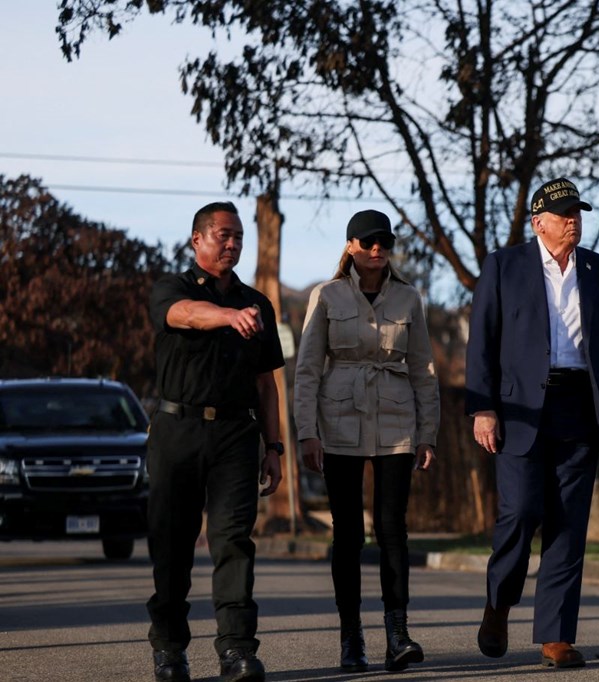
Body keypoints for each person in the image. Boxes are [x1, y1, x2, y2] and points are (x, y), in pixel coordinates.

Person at [465, 177, 599, 669]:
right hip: (520, 411)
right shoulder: (504, 266)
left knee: (568, 525)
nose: (573, 220)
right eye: (563, 214)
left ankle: (556, 636)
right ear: (538, 222)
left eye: (577, 212)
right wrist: (483, 407)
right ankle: (498, 604)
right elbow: (482, 340)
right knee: (519, 512)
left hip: (581, 407)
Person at [293, 210, 440, 673]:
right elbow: (307, 369)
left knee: (392, 530)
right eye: (369, 241)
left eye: (385, 242)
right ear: (352, 245)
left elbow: (424, 370)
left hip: (397, 424)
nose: (378, 249)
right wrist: (307, 432)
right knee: (349, 534)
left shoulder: (409, 298)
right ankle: (350, 637)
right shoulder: (327, 295)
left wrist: (428, 433)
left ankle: (398, 634)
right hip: (339, 423)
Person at [145, 201, 284, 682]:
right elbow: (183, 315)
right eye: (223, 235)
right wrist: (227, 316)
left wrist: (274, 447)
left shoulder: (258, 303)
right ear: (197, 240)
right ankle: (168, 650)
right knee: (172, 545)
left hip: (235, 436)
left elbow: (267, 385)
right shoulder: (173, 288)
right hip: (176, 432)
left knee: (232, 544)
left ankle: (237, 651)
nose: (233, 244)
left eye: (239, 236)